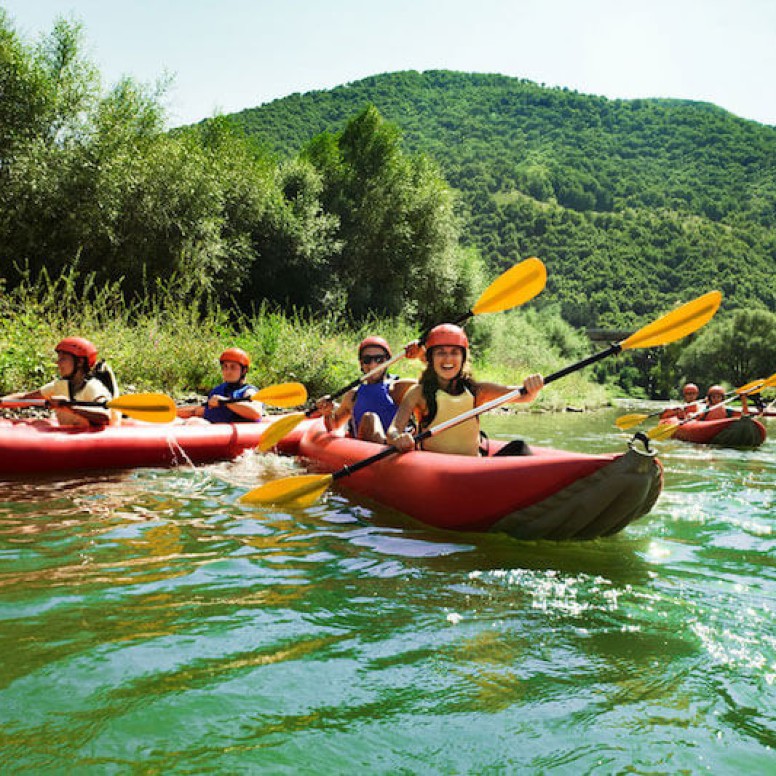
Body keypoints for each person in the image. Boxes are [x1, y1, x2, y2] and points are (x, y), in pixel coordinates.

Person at [386, 324, 544, 457]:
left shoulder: (478, 391)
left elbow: (524, 396)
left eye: (454, 352)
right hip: (435, 466)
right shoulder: (418, 393)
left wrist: (533, 387)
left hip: (471, 465)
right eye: (441, 353)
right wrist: (397, 438)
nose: (448, 359)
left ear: (463, 358)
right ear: (430, 358)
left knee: (520, 447)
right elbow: (393, 430)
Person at [316, 336, 418, 442]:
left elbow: (432, 385)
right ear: (361, 363)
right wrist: (327, 413)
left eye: (379, 359)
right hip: (364, 452)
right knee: (369, 419)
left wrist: (422, 355)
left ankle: (388, 443)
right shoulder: (353, 396)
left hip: (397, 449)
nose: (373, 365)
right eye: (367, 360)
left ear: (388, 361)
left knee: (370, 418)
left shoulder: (399, 388)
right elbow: (334, 425)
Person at [2, 337, 118, 428]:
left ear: (80, 362)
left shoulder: (93, 386)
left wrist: (69, 406)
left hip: (95, 444)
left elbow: (104, 416)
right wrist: (1, 402)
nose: (58, 363)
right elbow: (25, 398)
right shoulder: (59, 385)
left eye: (63, 359)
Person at [176, 347, 263, 423]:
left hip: (241, 437)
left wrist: (224, 402)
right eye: (225, 367)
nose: (228, 371)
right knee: (193, 421)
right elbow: (197, 411)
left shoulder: (248, 391)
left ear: (243, 371)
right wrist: (172, 412)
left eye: (233, 367)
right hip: (214, 434)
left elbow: (256, 413)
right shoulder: (217, 391)